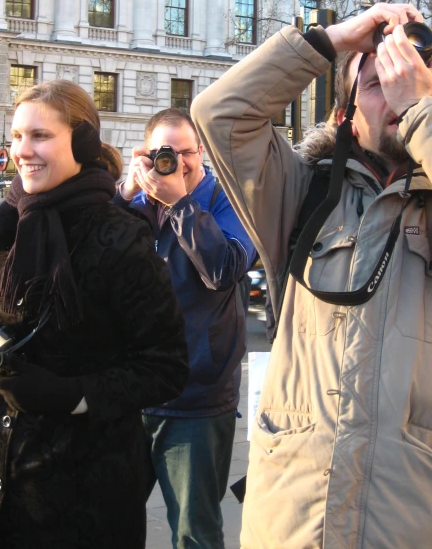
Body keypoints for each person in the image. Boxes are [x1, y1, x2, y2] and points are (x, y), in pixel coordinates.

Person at [192, 3, 432, 548]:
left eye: (407, 79)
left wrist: (422, 112)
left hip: (424, 520)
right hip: (297, 520)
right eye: (376, 82)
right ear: (347, 112)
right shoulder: (301, 194)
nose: (395, 92)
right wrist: (331, 42)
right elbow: (220, 115)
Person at [0, 80, 189, 549]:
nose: (22, 151)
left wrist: (73, 395)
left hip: (83, 498)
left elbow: (166, 367)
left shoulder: (120, 238)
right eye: (16, 136)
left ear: (82, 142)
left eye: (39, 136)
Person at [114, 108, 257, 549]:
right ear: (145, 155)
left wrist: (180, 205)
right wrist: (123, 194)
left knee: (194, 532)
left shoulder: (227, 200)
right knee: (107, 520)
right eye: (163, 154)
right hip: (129, 394)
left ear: (201, 153)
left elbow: (225, 267)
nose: (176, 163)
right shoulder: (133, 207)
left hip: (195, 400)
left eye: (186, 153)